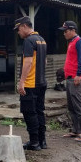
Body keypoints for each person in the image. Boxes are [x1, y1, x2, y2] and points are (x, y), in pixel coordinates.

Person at [14, 16, 47, 150]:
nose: (18, 32)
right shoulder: (41, 40)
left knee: (29, 112)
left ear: (24, 26)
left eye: (18, 29)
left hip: (30, 84)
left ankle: (34, 142)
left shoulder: (28, 41)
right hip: (41, 82)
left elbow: (28, 62)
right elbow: (44, 61)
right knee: (39, 111)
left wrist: (21, 82)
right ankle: (42, 141)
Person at [60, 21, 81, 142]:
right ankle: (76, 130)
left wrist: (79, 74)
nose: (64, 33)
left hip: (76, 78)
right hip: (70, 78)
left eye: (66, 31)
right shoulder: (71, 42)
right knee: (71, 106)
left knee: (78, 106)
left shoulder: (79, 42)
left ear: (73, 30)